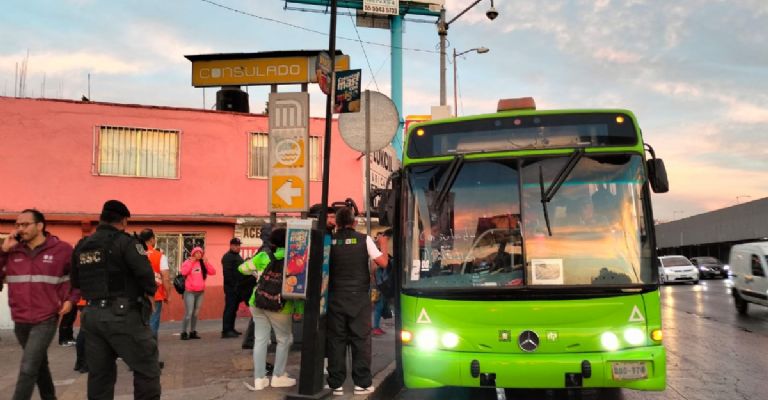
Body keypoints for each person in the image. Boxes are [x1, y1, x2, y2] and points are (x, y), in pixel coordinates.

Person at [70, 200, 160, 399]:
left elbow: (75, 281)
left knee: (100, 375)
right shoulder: (126, 242)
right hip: (122, 315)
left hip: (91, 316)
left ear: (101, 218)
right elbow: (145, 275)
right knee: (147, 367)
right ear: (124, 220)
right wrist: (150, 294)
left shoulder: (83, 245)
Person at [0, 208, 77, 400]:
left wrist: (71, 299)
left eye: (25, 224)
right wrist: (2, 251)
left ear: (40, 226)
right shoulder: (12, 251)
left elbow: (78, 277)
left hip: (46, 319)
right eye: (17, 225)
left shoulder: (63, 250)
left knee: (28, 367)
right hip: (20, 320)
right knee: (37, 363)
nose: (20, 229)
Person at [326, 206, 389, 396]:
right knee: (360, 339)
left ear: (336, 223)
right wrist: (383, 244)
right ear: (354, 222)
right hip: (358, 298)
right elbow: (383, 262)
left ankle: (335, 384)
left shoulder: (330, 241)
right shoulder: (364, 240)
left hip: (335, 296)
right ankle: (361, 383)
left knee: (336, 340)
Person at [238, 227, 303, 391]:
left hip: (258, 302)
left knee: (260, 341)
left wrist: (258, 274)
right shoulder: (293, 259)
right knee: (284, 340)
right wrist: (299, 309)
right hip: (281, 306)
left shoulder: (264, 255)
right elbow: (298, 286)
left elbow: (242, 268)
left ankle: (259, 379)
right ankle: (278, 375)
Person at [139, 229, 170, 339]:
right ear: (152, 239)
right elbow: (165, 278)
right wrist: (167, 295)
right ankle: (150, 351)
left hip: (136, 295)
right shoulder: (160, 256)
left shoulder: (135, 253)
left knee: (138, 325)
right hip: (155, 295)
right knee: (152, 323)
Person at [180, 246, 216, 340]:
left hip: (200, 292)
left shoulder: (202, 263)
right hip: (190, 292)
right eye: (196, 253)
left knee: (195, 313)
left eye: (200, 253)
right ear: (193, 254)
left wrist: (206, 262)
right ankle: (184, 332)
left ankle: (192, 332)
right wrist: (191, 262)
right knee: (189, 313)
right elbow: (184, 272)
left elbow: (213, 272)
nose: (198, 254)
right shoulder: (188, 262)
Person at [221, 237, 244, 338]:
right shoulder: (228, 257)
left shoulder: (237, 256)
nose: (238, 247)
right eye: (236, 245)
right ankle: (226, 331)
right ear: (231, 246)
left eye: (239, 245)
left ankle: (231, 328)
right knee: (229, 309)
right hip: (231, 288)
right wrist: (233, 286)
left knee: (234, 309)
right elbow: (227, 274)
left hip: (237, 287)